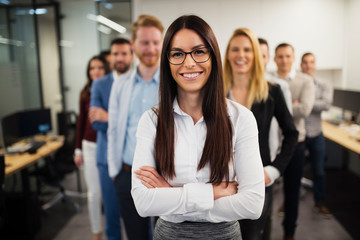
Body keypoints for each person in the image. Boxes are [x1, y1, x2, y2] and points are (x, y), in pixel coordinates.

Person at [131, 15, 265, 240]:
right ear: (167, 61)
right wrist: (211, 193)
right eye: (177, 54)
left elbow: (252, 204)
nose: (189, 62)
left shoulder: (241, 118)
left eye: (199, 51)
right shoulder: (151, 121)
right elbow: (143, 203)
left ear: (213, 56)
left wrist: (170, 194)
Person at [223, 28, 298, 240]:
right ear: (227, 54)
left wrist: (273, 170)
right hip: (220, 184)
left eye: (247, 49)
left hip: (257, 183)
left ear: (256, 55)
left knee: (252, 236)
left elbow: (292, 133)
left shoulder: (272, 91)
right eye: (235, 49)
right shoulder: (215, 92)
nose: (241, 55)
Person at [107, 15, 163, 240]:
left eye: (155, 42)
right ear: (133, 44)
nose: (150, 48)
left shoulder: (173, 84)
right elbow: (113, 129)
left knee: (164, 235)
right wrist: (115, 172)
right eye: (145, 42)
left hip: (165, 177)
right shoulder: (121, 84)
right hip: (127, 174)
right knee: (135, 235)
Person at [89, 38, 133, 240]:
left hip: (133, 160)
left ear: (131, 55)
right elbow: (96, 123)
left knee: (140, 218)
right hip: (106, 160)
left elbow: (141, 121)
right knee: (112, 217)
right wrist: (124, 121)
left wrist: (110, 117)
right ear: (111, 57)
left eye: (124, 53)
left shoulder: (138, 81)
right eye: (116, 54)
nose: (120, 58)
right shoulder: (99, 84)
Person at [273, 43, 315, 240]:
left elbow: (305, 109)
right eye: (280, 56)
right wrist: (292, 105)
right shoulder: (267, 80)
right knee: (265, 191)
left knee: (292, 192)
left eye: (287, 56)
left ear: (293, 57)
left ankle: (289, 233)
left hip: (295, 144)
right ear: (274, 59)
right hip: (271, 143)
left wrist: (278, 109)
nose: (284, 60)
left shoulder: (305, 80)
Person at [74, 55, 110, 240]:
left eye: (99, 67)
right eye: (92, 68)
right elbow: (81, 122)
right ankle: (96, 232)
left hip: (108, 145)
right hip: (88, 145)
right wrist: (77, 149)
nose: (95, 71)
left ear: (106, 69)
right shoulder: (85, 92)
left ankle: (113, 229)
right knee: (94, 194)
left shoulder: (112, 88)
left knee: (110, 194)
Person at [301, 52, 333, 218]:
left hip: (316, 133)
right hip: (299, 134)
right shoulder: (296, 83)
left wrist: (305, 102)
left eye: (311, 62)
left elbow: (326, 104)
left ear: (315, 64)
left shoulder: (323, 85)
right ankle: (289, 201)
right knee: (294, 171)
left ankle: (319, 202)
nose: (308, 65)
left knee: (319, 171)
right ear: (301, 65)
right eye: (305, 62)